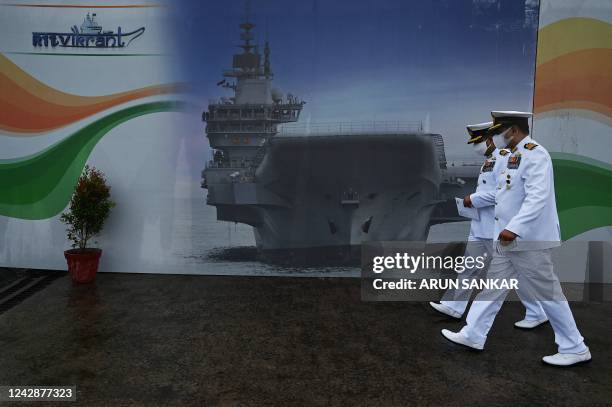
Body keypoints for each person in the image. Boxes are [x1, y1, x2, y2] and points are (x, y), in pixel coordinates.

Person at [441, 111, 591, 366]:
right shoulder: (513, 156)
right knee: (492, 287)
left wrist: (515, 228)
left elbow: (537, 197)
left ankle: (575, 346)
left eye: (498, 132)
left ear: (511, 130)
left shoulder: (536, 154)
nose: (495, 137)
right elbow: (505, 196)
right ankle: (472, 334)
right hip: (508, 238)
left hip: (527, 239)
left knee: (548, 293)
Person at [430, 122, 547, 329]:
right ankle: (454, 306)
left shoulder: (505, 159)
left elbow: (501, 194)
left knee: (513, 275)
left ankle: (537, 311)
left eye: (479, 142)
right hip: (479, 226)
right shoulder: (490, 160)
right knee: (468, 268)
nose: (476, 147)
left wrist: (472, 199)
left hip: (495, 228)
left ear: (490, 140)